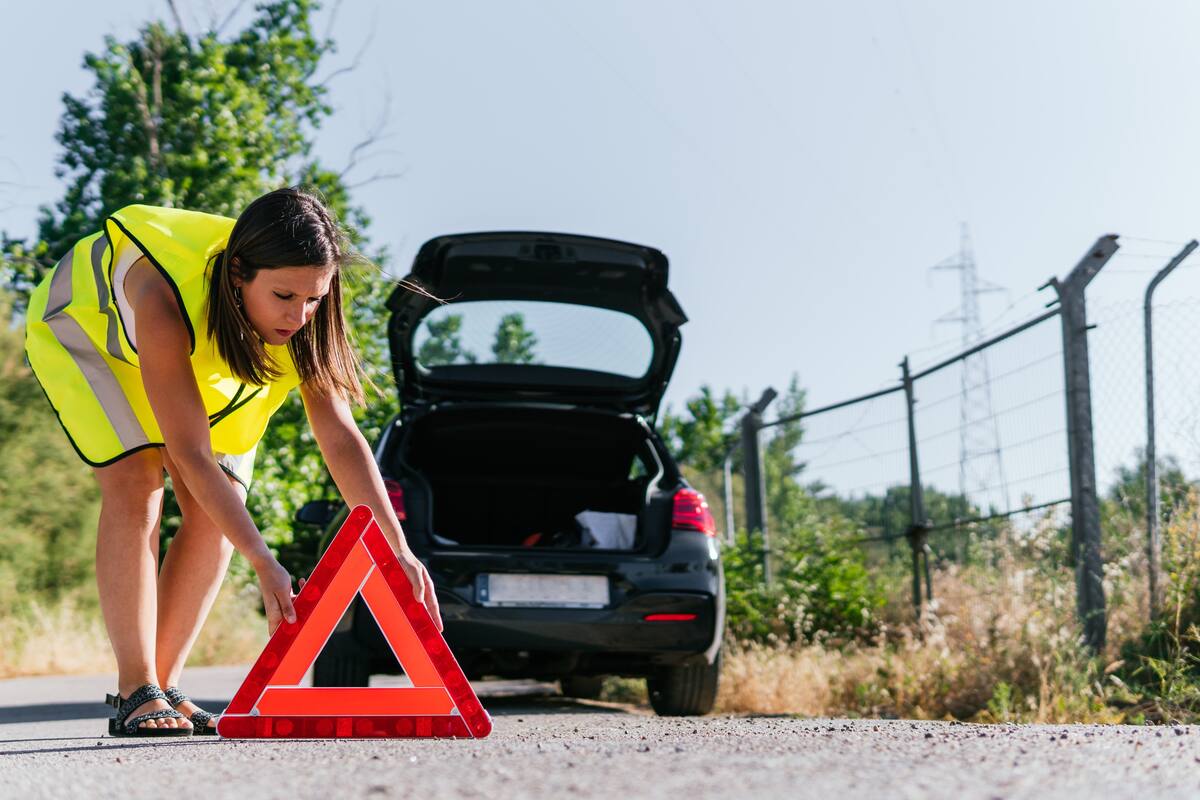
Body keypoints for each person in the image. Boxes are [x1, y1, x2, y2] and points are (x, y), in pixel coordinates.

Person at [24, 187, 442, 737]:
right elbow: (190, 455)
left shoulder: (300, 315)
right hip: (91, 334)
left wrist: (401, 552)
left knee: (222, 510)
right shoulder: (160, 294)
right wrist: (265, 561)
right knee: (139, 480)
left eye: (314, 298)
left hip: (204, 351)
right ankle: (136, 689)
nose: (300, 315)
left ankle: (166, 686)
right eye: (285, 296)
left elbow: (340, 438)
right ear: (239, 272)